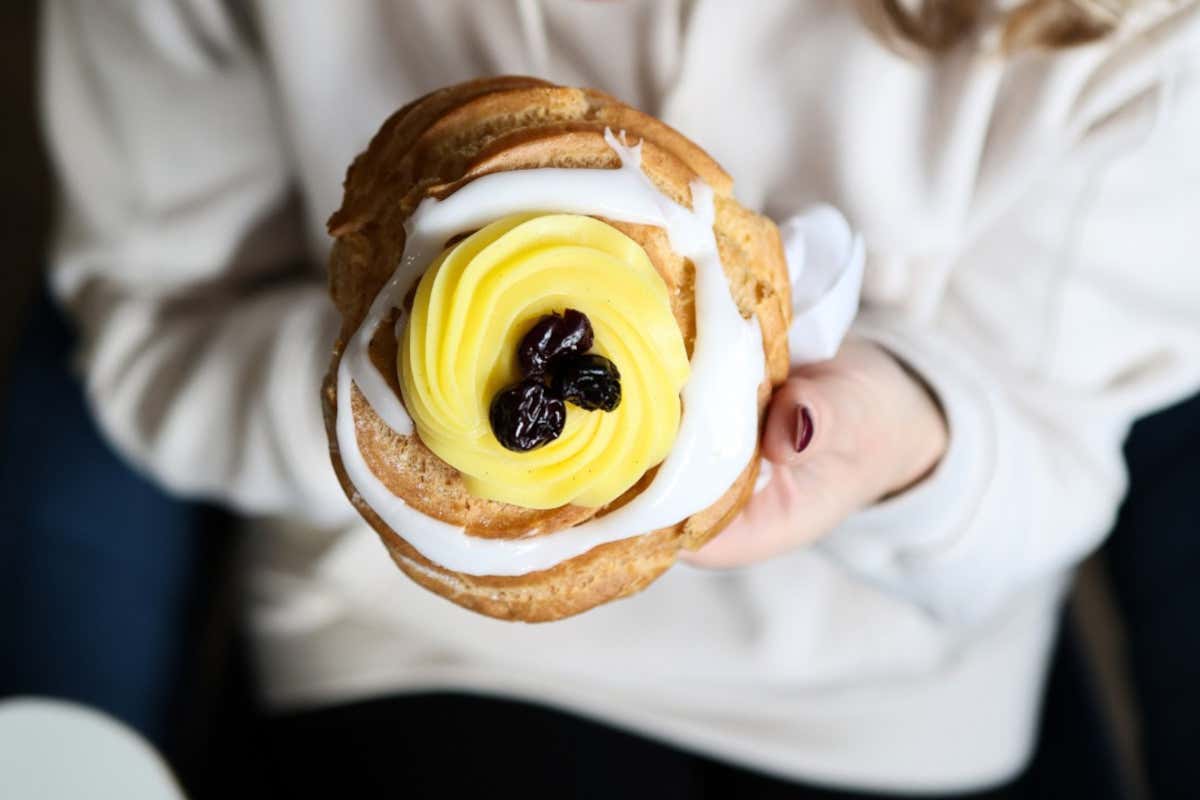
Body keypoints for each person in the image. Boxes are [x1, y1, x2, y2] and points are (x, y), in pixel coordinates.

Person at [40, 0, 1200, 797]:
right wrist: (405, 415)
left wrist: (901, 439)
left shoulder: (1123, 35)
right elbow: (159, 337)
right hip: (408, 643)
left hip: (892, 699)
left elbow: (1061, 454)